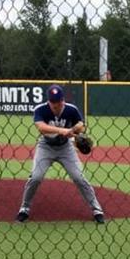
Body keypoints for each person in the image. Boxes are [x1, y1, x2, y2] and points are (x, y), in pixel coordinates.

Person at [16, 84, 105, 224]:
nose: (55, 106)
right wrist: (63, 131)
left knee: (79, 177)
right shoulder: (41, 109)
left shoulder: (71, 109)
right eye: (53, 103)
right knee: (36, 177)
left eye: (58, 102)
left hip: (66, 148)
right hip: (45, 147)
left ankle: (96, 209)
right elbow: (41, 128)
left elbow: (81, 125)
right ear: (49, 101)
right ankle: (24, 208)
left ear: (62, 100)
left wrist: (76, 128)